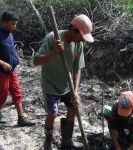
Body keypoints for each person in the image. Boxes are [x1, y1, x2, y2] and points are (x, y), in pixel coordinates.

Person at [34, 14, 94, 149]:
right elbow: (36, 61)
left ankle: (67, 141)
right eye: (82, 36)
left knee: (73, 108)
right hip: (50, 84)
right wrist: (54, 53)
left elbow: (78, 68)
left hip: (67, 85)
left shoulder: (79, 45)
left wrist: (76, 91)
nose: (82, 40)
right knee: (52, 113)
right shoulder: (53, 38)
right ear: (74, 30)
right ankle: (47, 141)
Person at [0, 11, 36, 127]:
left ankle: (21, 118)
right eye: (13, 24)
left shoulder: (10, 34)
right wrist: (2, 63)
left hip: (12, 70)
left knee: (17, 93)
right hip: (1, 72)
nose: (15, 26)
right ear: (5, 23)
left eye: (16, 24)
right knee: (3, 94)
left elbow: (10, 49)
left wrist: (15, 58)